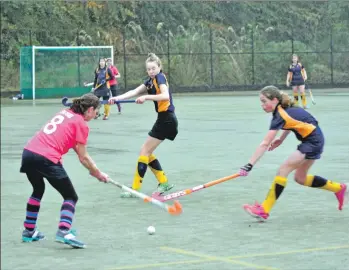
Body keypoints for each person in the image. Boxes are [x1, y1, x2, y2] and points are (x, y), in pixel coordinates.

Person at [239, 85, 347, 221]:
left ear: (274, 100)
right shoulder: (284, 109)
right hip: (315, 139)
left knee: (283, 170)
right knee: (300, 178)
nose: (262, 105)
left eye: (264, 101)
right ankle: (338, 188)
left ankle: (264, 209)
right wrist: (281, 139)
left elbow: (265, 143)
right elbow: (292, 123)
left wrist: (249, 165)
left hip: (312, 142)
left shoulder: (280, 114)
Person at [20, 93, 109, 248]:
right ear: (90, 109)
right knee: (70, 196)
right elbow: (83, 157)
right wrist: (98, 173)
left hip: (29, 153)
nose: (96, 115)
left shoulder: (65, 112)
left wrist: (94, 171)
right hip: (46, 158)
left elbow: (74, 144)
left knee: (37, 189)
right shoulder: (81, 123)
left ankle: (29, 231)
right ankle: (64, 231)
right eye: (96, 111)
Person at [109, 53, 177, 198]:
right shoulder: (150, 82)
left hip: (167, 119)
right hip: (164, 119)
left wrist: (146, 97)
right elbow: (134, 92)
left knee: (144, 151)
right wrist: (116, 99)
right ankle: (163, 182)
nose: (151, 71)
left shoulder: (160, 78)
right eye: (148, 69)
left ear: (159, 67)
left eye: (153, 68)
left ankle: (135, 189)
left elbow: (165, 96)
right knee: (146, 151)